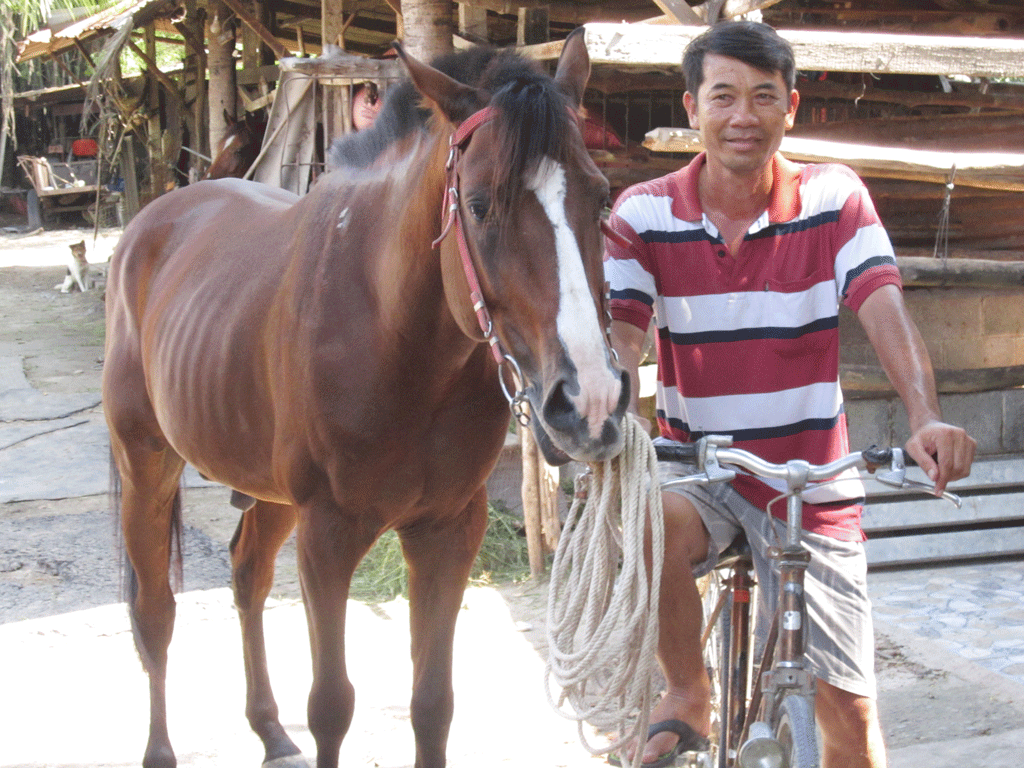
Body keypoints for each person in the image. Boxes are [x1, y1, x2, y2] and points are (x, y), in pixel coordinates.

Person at [603, 21, 976, 768]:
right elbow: (622, 336)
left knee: (850, 721)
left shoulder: (834, 197)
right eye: (724, 96)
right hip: (698, 472)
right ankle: (687, 690)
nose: (743, 116)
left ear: (791, 108)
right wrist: (602, 414)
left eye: (763, 97)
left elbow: (882, 306)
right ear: (692, 107)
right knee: (641, 520)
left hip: (809, 482)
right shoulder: (641, 213)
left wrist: (926, 416)